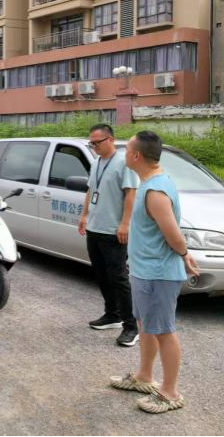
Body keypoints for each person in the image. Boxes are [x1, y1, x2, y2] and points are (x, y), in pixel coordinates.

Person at [110, 131, 200, 414]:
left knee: (163, 331)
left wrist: (184, 255)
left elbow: (173, 234)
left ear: (136, 156)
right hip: (144, 271)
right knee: (146, 325)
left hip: (157, 273)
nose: (124, 154)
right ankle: (144, 377)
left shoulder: (155, 192)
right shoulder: (148, 183)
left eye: (127, 150)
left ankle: (170, 392)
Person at [78, 124, 140, 347]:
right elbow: (90, 190)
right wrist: (84, 215)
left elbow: (131, 193)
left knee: (119, 278)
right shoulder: (96, 163)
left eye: (97, 142)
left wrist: (125, 223)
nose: (94, 146)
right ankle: (112, 315)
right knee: (101, 274)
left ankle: (131, 327)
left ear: (110, 140)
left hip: (114, 231)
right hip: (95, 228)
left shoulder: (124, 163)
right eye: (91, 143)